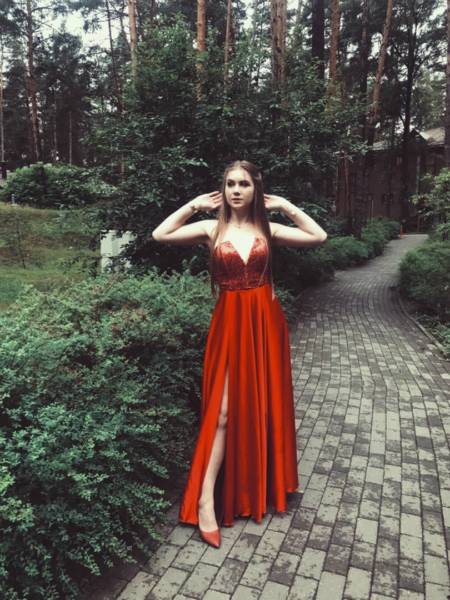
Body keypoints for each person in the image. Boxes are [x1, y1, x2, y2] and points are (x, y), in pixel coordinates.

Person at [152, 160, 327, 548]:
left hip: (265, 323)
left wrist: (285, 206)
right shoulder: (211, 228)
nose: (235, 190)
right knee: (224, 412)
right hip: (230, 323)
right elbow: (161, 234)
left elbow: (318, 236)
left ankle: (255, 487)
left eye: (244, 184)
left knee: (261, 404)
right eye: (230, 183)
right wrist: (194, 205)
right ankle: (205, 500)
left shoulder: (268, 229)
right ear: (223, 189)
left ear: (255, 189)